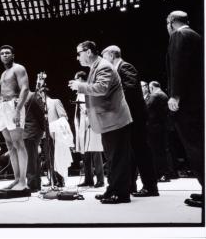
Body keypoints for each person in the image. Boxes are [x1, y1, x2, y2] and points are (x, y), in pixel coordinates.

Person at [69, 41, 132, 204]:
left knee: (117, 158)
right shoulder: (96, 67)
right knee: (112, 158)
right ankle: (112, 190)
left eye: (79, 53)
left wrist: (80, 86)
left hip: (115, 119)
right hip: (109, 120)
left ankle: (121, 194)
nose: (77, 57)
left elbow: (101, 88)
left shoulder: (103, 66)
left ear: (88, 52)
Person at [101, 45, 159, 197]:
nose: (103, 60)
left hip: (135, 117)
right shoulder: (118, 69)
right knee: (130, 153)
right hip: (129, 117)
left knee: (140, 151)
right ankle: (129, 185)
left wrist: (110, 97)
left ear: (112, 55)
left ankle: (150, 187)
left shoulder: (125, 67)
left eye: (104, 56)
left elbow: (130, 88)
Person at [166, 11, 204, 208]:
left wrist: (175, 95)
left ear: (171, 22)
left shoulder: (179, 35)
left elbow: (178, 67)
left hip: (187, 103)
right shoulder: (196, 35)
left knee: (195, 148)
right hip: (198, 100)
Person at [0, 45, 29, 191]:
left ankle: (23, 181)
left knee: (18, 143)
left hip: (14, 105)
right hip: (3, 107)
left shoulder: (19, 68)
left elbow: (25, 89)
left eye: (7, 53)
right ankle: (16, 179)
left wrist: (17, 110)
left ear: (13, 55)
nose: (4, 55)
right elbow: (1, 94)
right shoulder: (3, 74)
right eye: (2, 53)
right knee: (10, 145)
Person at [73, 71, 104, 188]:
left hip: (91, 125)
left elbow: (94, 106)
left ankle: (100, 180)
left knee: (95, 153)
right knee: (85, 154)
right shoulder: (80, 92)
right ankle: (88, 179)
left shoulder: (89, 89)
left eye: (75, 79)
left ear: (80, 79)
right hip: (83, 126)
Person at [44, 89, 74, 188]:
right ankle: (52, 179)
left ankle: (60, 180)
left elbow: (63, 117)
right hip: (47, 134)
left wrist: (55, 127)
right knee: (49, 158)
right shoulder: (41, 107)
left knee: (58, 157)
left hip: (57, 134)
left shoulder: (55, 102)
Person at [147, 81, 172, 182]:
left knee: (156, 151)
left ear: (151, 87)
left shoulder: (155, 95)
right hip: (162, 126)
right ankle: (166, 173)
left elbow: (147, 107)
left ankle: (161, 174)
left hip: (155, 128)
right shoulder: (164, 95)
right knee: (163, 151)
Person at [23, 90, 45, 192]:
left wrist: (43, 129)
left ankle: (32, 185)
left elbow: (41, 113)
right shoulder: (25, 97)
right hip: (28, 131)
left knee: (31, 159)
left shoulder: (32, 96)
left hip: (32, 130)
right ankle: (35, 184)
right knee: (32, 158)